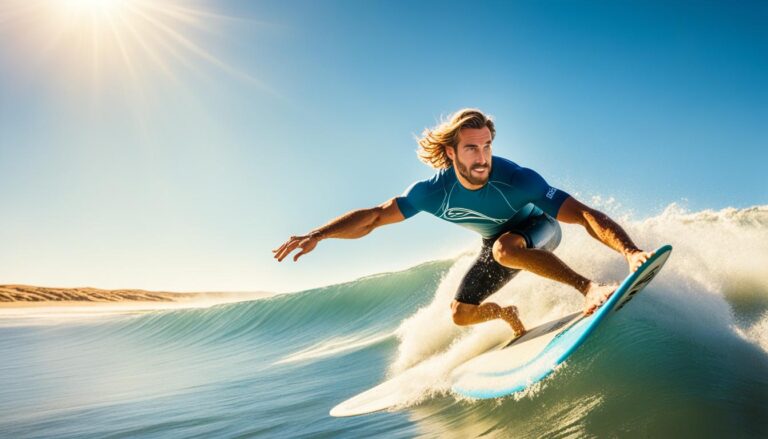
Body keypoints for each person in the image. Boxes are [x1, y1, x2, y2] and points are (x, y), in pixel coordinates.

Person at [273, 109, 653, 337]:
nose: (482, 156)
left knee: (507, 247)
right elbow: (373, 218)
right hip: (496, 246)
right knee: (460, 314)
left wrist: (631, 252)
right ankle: (507, 314)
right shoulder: (431, 192)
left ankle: (587, 288)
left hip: (538, 229)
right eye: (472, 148)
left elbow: (584, 214)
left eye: (487, 146)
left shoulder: (519, 179)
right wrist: (318, 234)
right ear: (450, 152)